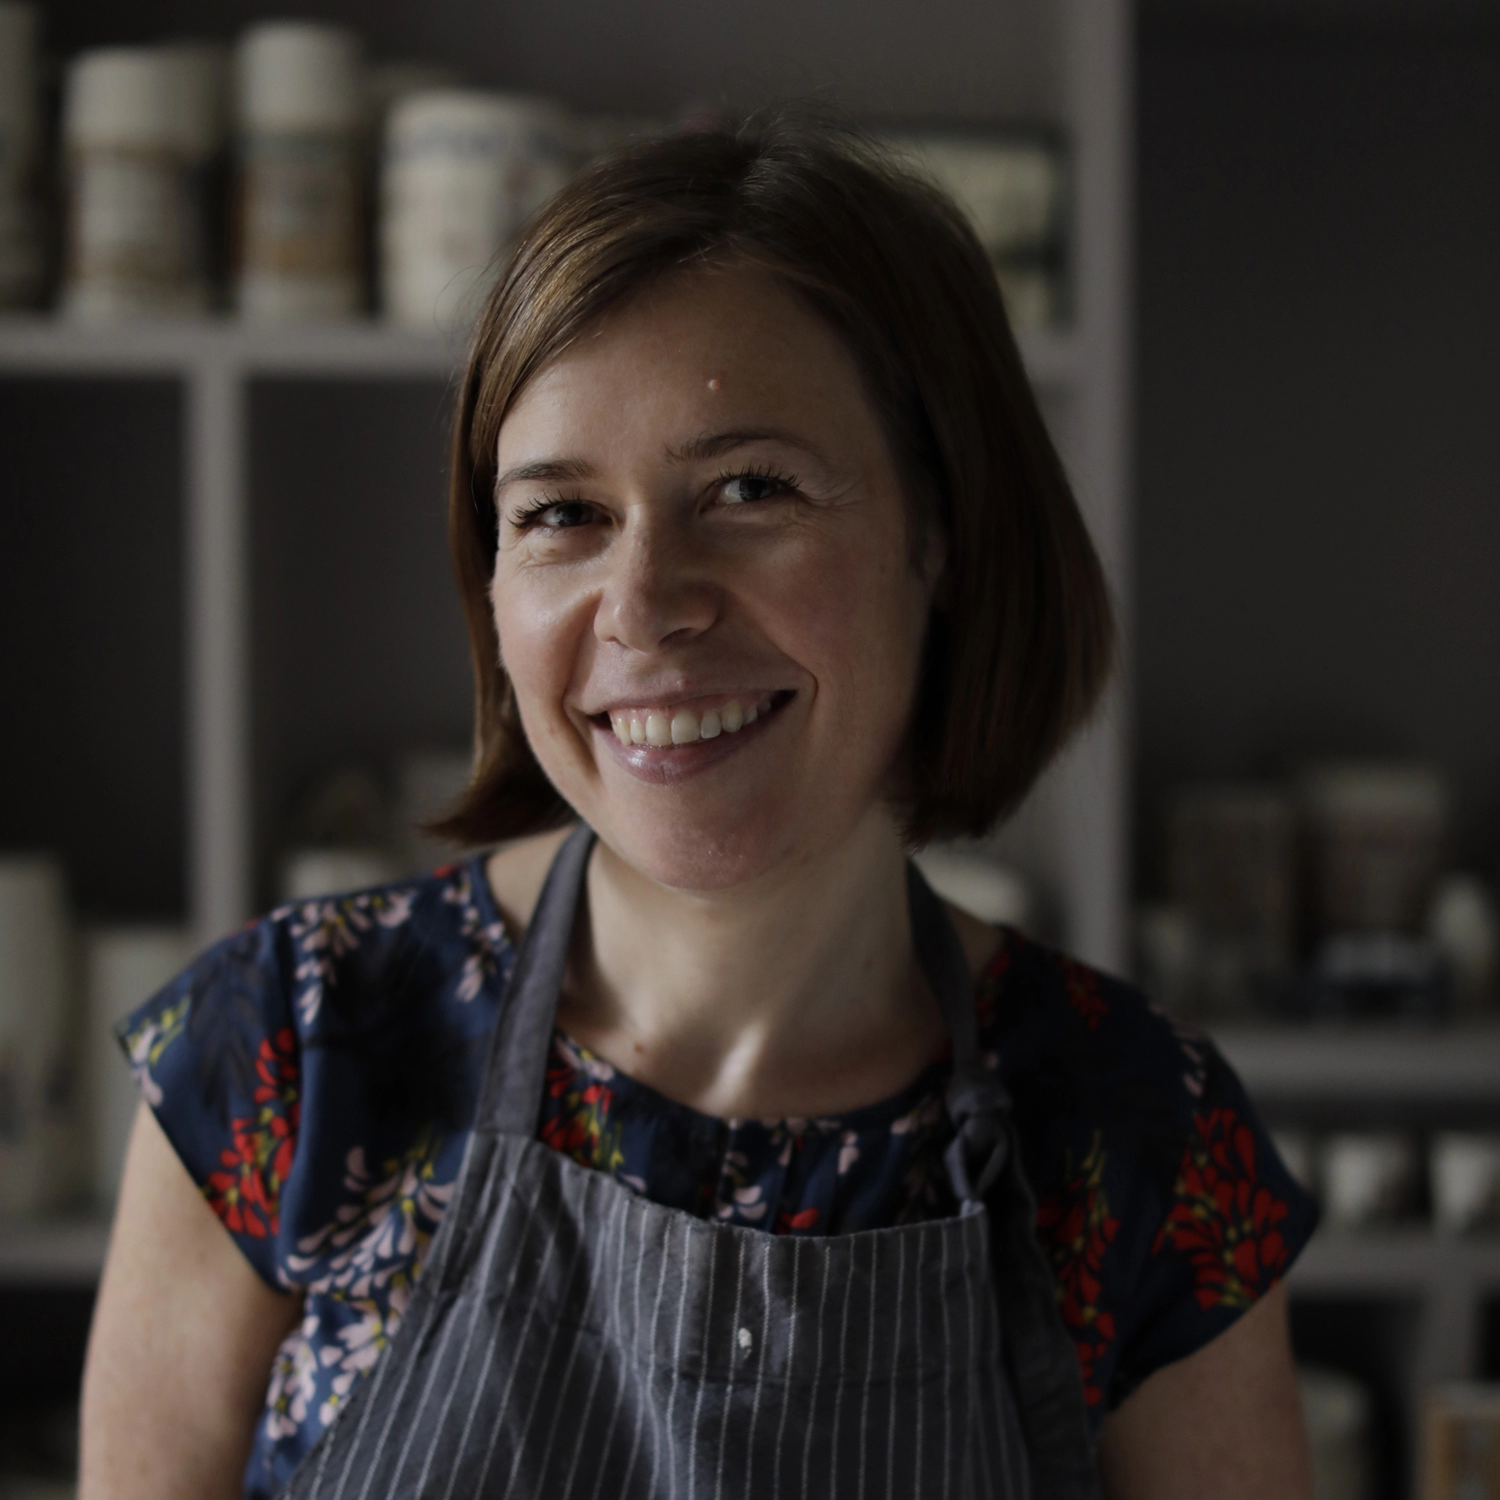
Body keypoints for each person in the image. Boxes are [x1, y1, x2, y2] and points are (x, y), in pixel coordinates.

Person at [79, 117, 1317, 1500]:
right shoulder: (288, 1060)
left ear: (943, 530)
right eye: (562, 515)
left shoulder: (1139, 1138)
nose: (647, 605)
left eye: (751, 488)